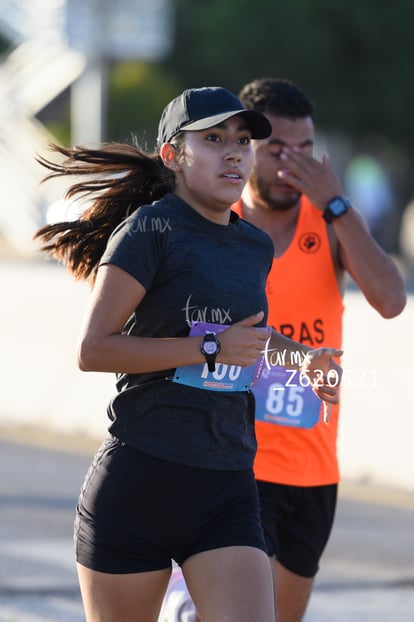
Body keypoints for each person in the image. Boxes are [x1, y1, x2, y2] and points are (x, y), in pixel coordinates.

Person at [33, 86, 342, 622]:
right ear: (173, 155)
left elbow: (249, 337)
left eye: (242, 141)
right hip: (140, 481)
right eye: (214, 139)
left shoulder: (253, 247)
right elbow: (94, 349)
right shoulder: (149, 232)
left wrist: (305, 360)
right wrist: (207, 348)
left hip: (227, 483)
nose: (234, 153)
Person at [231, 77, 407, 622]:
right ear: (245, 147)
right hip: (233, 462)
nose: (291, 165)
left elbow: (392, 299)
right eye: (276, 149)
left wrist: (335, 203)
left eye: (304, 151)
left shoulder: (328, 225)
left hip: (311, 472)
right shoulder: (220, 222)